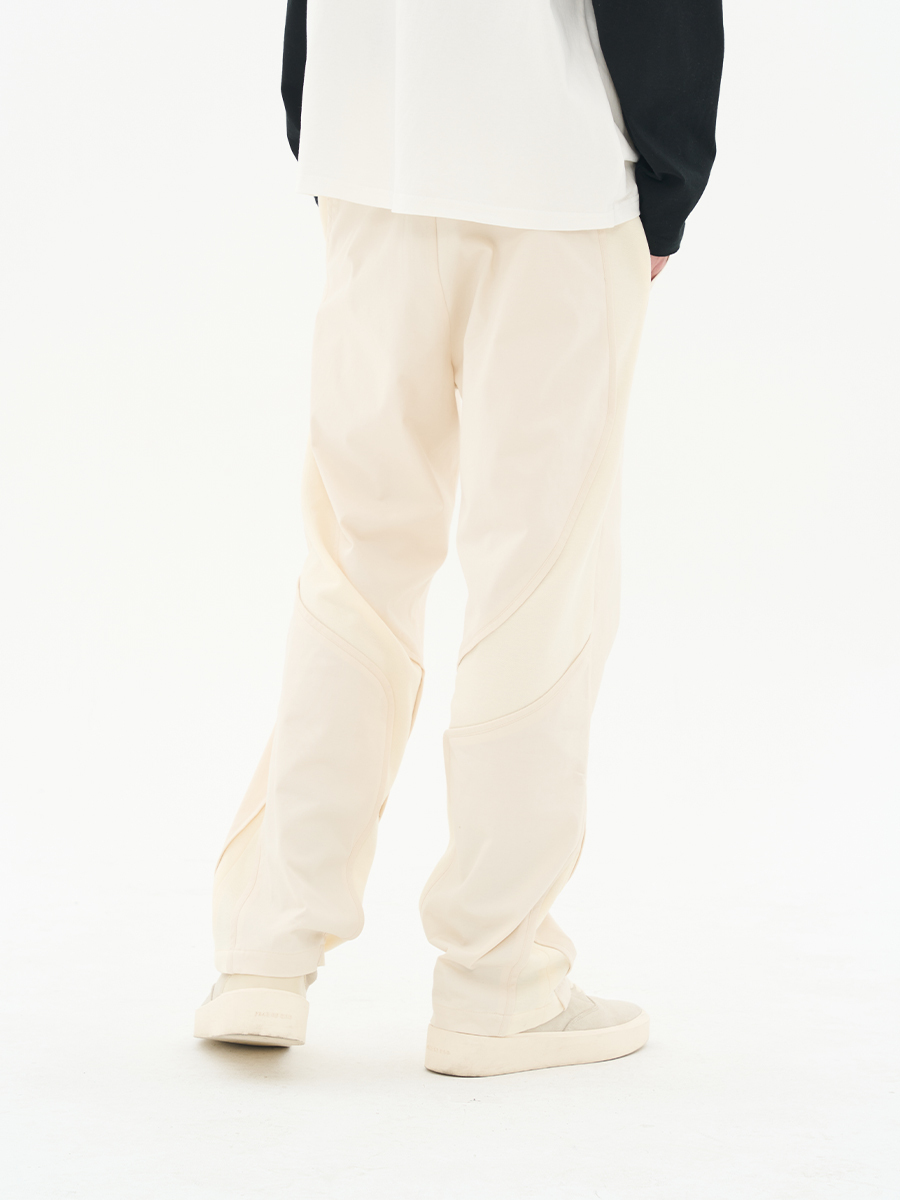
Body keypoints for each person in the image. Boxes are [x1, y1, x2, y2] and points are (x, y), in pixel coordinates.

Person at [194, 0, 724, 1077]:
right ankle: (498, 979)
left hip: (372, 153)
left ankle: (265, 954)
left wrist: (328, 118)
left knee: (357, 559)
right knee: (539, 577)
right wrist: (668, 182)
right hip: (553, 166)